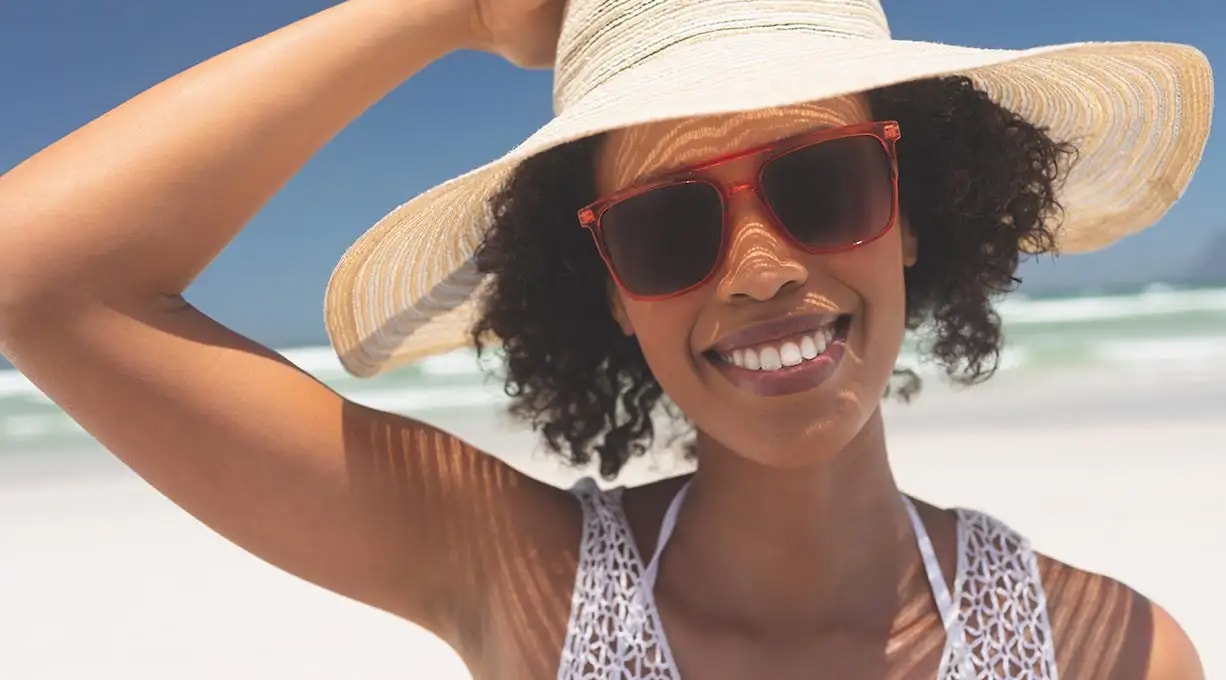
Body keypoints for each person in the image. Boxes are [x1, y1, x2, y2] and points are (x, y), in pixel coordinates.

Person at [0, 0, 1212, 677]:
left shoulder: (1112, 655)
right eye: (667, 225)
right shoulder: (516, 580)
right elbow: (37, 276)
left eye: (824, 185)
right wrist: (452, 12)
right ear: (610, 288)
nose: (760, 267)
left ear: (909, 216)